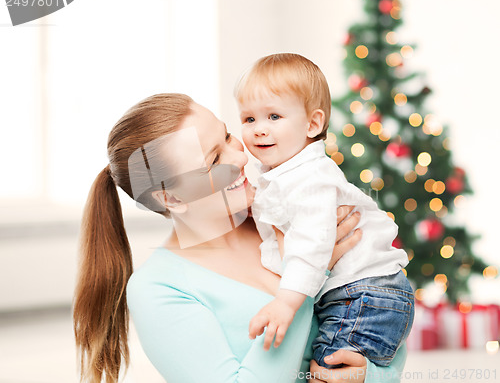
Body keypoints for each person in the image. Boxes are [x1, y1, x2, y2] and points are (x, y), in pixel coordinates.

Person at [73, 93, 408, 383]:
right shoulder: (158, 289)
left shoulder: (287, 217)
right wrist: (308, 279)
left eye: (228, 136)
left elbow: (378, 311)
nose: (241, 157)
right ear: (172, 198)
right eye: (214, 160)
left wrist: (372, 375)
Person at [235, 53, 414, 368]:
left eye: (274, 116)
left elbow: (311, 245)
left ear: (313, 123)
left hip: (364, 295)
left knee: (325, 372)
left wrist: (286, 304)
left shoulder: (311, 178)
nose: (259, 129)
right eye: (249, 119)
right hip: (364, 294)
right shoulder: (284, 173)